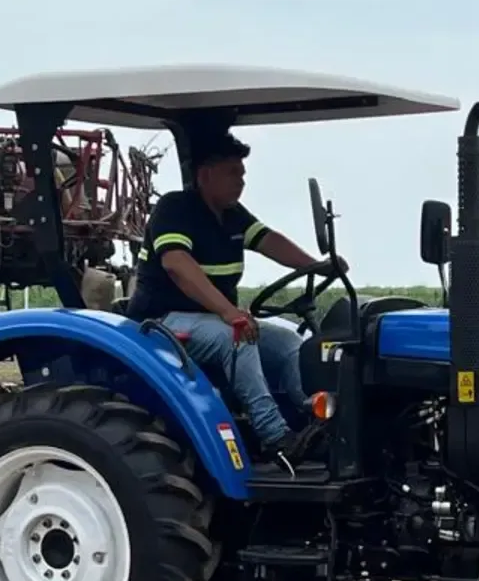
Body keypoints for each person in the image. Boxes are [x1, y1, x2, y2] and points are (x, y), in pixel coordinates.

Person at [126, 126, 339, 467]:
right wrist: (228, 311)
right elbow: (177, 264)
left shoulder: (231, 215)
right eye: (233, 173)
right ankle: (276, 437)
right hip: (164, 320)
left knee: (289, 342)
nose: (241, 182)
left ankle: (317, 417)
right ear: (206, 174)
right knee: (237, 336)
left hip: (211, 318)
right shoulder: (175, 209)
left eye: (243, 174)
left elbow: (269, 240)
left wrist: (317, 265)